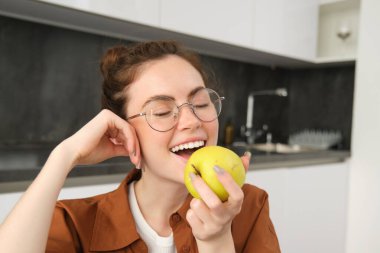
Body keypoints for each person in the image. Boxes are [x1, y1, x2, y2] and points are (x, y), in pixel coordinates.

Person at [0, 40, 281, 253]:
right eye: (161, 111)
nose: (191, 121)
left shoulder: (249, 208)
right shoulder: (76, 223)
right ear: (122, 132)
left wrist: (216, 241)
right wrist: (64, 156)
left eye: (200, 104)